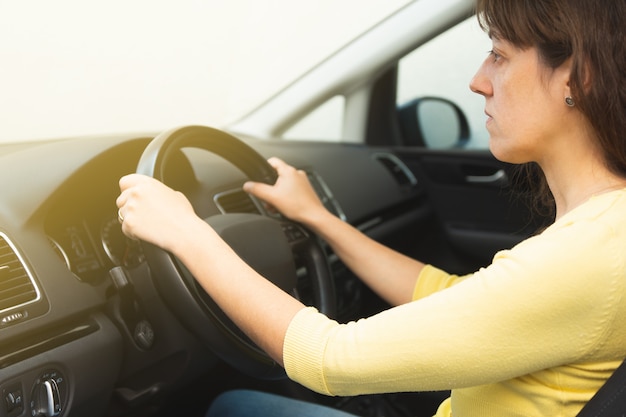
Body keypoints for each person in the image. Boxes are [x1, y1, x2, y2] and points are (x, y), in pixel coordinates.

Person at [116, 0, 626, 415]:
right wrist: (321, 220)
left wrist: (186, 232)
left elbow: (327, 359)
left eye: (499, 54)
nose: (478, 80)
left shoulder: (588, 256)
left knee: (230, 406)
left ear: (574, 77)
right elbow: (449, 294)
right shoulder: (603, 232)